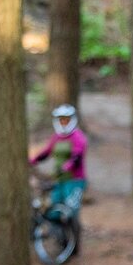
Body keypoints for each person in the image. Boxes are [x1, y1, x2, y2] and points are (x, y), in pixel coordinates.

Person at [29, 104, 88, 255]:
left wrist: (66, 167)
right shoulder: (56, 138)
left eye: (66, 120)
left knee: (70, 211)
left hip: (74, 181)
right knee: (53, 209)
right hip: (59, 181)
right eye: (61, 120)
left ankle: (74, 247)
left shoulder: (78, 138)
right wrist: (33, 160)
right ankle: (60, 240)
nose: (63, 123)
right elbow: (46, 152)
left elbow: (77, 157)